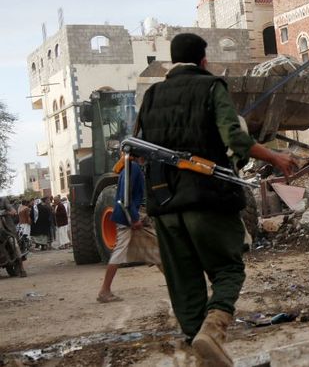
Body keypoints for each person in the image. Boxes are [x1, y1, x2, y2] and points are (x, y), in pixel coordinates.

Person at [137, 33, 297, 366]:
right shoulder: (211, 87)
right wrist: (276, 158)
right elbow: (235, 138)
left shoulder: (151, 95)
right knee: (228, 269)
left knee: (184, 282)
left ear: (171, 60)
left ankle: (199, 345)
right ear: (204, 60)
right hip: (206, 196)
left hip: (163, 204)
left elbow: (139, 147)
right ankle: (214, 330)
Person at [98, 156, 150, 303]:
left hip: (127, 215)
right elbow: (124, 198)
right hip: (127, 218)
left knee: (155, 246)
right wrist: (134, 218)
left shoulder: (130, 167)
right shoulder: (133, 167)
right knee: (119, 252)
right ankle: (104, 290)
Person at [0, 195, 26, 277]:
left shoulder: (3, 200)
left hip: (7, 230)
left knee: (14, 244)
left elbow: (13, 211)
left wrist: (5, 212)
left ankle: (22, 268)